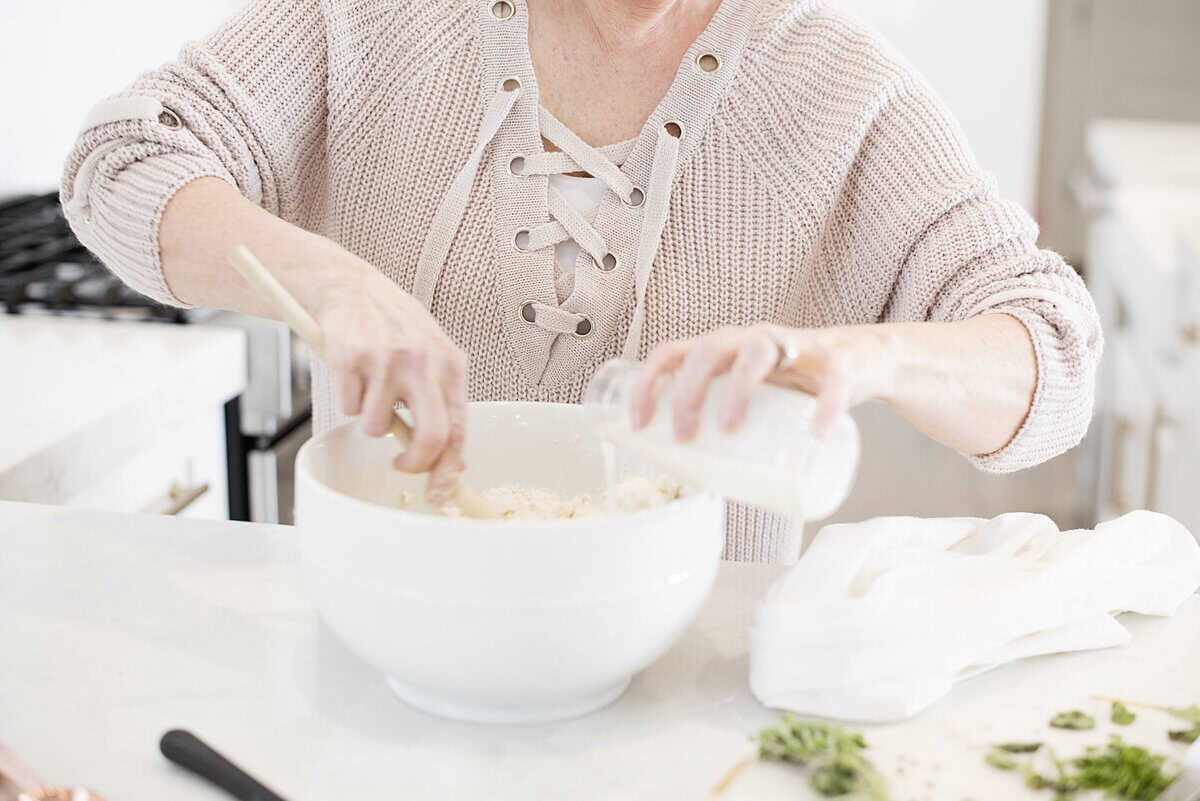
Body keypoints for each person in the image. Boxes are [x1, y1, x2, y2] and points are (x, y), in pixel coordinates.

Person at [61, 0, 1101, 562]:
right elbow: (119, 158)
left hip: (693, 683)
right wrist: (332, 284)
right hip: (388, 631)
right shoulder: (369, 20)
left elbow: (1050, 359)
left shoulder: (841, 84)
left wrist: (851, 355)